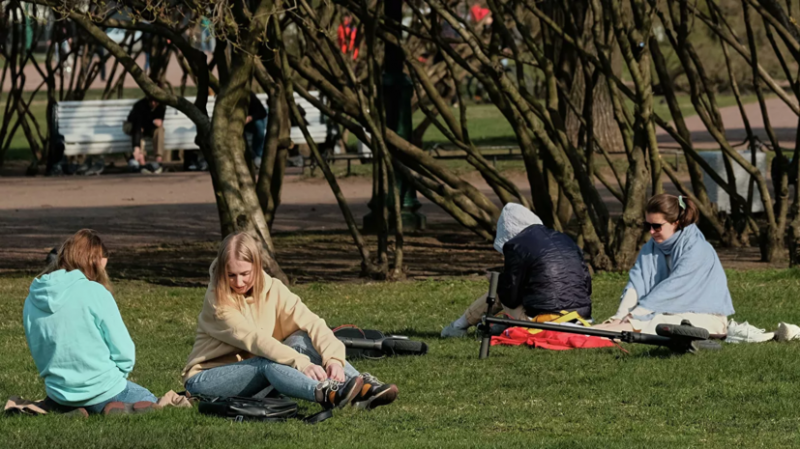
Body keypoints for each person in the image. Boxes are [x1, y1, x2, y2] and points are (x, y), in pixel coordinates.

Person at [182, 232, 398, 410]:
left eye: (245, 274)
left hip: (258, 378)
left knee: (301, 339)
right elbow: (256, 341)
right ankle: (330, 394)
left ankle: (362, 387)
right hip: (206, 380)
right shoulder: (216, 302)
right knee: (268, 361)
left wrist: (334, 360)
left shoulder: (274, 288)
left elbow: (313, 323)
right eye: (231, 275)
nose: (239, 282)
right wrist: (301, 363)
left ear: (257, 267)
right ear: (222, 271)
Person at [23, 230, 157, 414]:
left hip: (58, 393)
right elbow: (125, 352)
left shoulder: (32, 298)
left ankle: (67, 410)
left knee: (63, 402)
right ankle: (110, 408)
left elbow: (37, 348)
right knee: (151, 400)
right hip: (104, 389)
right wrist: (116, 379)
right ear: (94, 262)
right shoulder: (94, 291)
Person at [442, 203, 593, 337]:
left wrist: (501, 281)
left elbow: (509, 298)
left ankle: (458, 326)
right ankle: (504, 325)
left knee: (499, 291)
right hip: (581, 317)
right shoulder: (565, 239)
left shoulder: (517, 246)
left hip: (544, 322)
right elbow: (587, 286)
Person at [594, 194, 734, 335]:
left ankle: (586, 337)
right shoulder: (650, 247)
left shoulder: (696, 248)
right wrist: (620, 316)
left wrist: (635, 314)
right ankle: (582, 334)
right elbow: (636, 284)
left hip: (705, 316)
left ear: (676, 222)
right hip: (663, 311)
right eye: (647, 225)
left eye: (657, 226)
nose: (651, 231)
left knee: (647, 323)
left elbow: (674, 287)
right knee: (619, 323)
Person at [123, 94, 166, 174]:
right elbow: (137, 125)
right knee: (140, 133)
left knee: (160, 129)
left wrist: (154, 122)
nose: (153, 103)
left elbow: (159, 122)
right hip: (132, 125)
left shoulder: (162, 106)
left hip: (147, 127)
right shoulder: (140, 106)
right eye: (151, 101)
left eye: (156, 101)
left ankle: (159, 160)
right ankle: (141, 162)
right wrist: (136, 147)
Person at [244, 92, 268, 169]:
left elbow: (263, 113)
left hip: (252, 123)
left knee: (259, 125)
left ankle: (258, 156)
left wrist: (250, 118)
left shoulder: (250, 96)